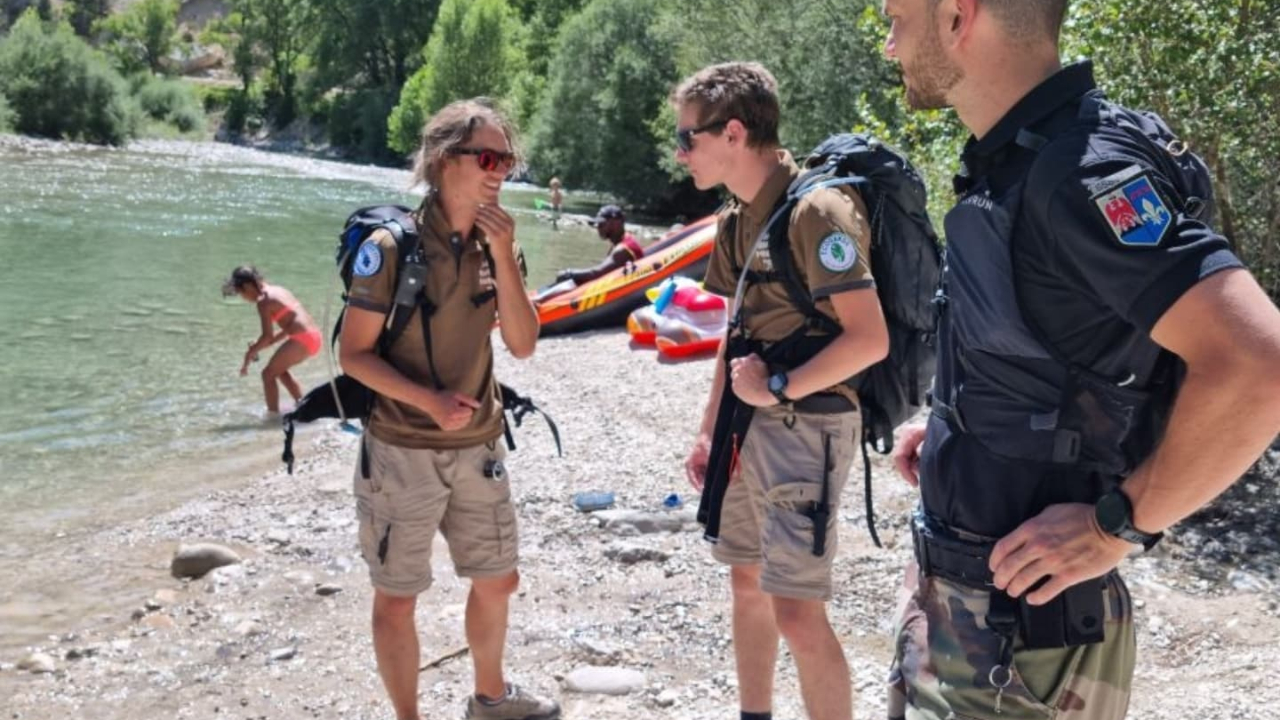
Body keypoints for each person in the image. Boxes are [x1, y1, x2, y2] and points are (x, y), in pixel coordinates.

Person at [879, 1, 1280, 719]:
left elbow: (1259, 363)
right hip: (974, 619)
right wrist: (956, 424)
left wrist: (1117, 525)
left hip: (1020, 647)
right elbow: (1064, 349)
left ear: (956, 17)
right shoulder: (1020, 161)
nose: (887, 46)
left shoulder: (1080, 174)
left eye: (895, 18)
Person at [678, 62, 890, 720]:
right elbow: (733, 333)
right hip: (751, 420)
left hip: (810, 424)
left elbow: (869, 339)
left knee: (797, 611)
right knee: (745, 580)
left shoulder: (819, 211)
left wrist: (777, 385)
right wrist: (711, 427)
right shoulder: (735, 220)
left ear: (733, 132)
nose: (680, 152)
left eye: (688, 138)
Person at [338, 98, 557, 720]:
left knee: (497, 580)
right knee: (397, 597)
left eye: (507, 160)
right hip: (401, 452)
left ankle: (490, 698)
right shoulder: (389, 248)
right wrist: (428, 401)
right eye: (487, 157)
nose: (500, 172)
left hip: (480, 445)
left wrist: (507, 259)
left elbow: (521, 343)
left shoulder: (498, 245)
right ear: (441, 159)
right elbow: (355, 355)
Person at [222, 265, 322, 415]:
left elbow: (267, 336)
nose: (243, 297)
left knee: (267, 374)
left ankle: (272, 417)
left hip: (302, 338)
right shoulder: (279, 290)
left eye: (241, 292)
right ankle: (303, 406)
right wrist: (259, 346)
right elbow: (289, 327)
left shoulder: (263, 301)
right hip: (313, 336)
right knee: (279, 370)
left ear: (248, 286)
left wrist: (251, 351)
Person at [553, 204, 645, 285]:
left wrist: (569, 273)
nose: (597, 227)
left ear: (616, 223)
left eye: (601, 224)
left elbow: (597, 273)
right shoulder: (623, 240)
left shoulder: (622, 249)